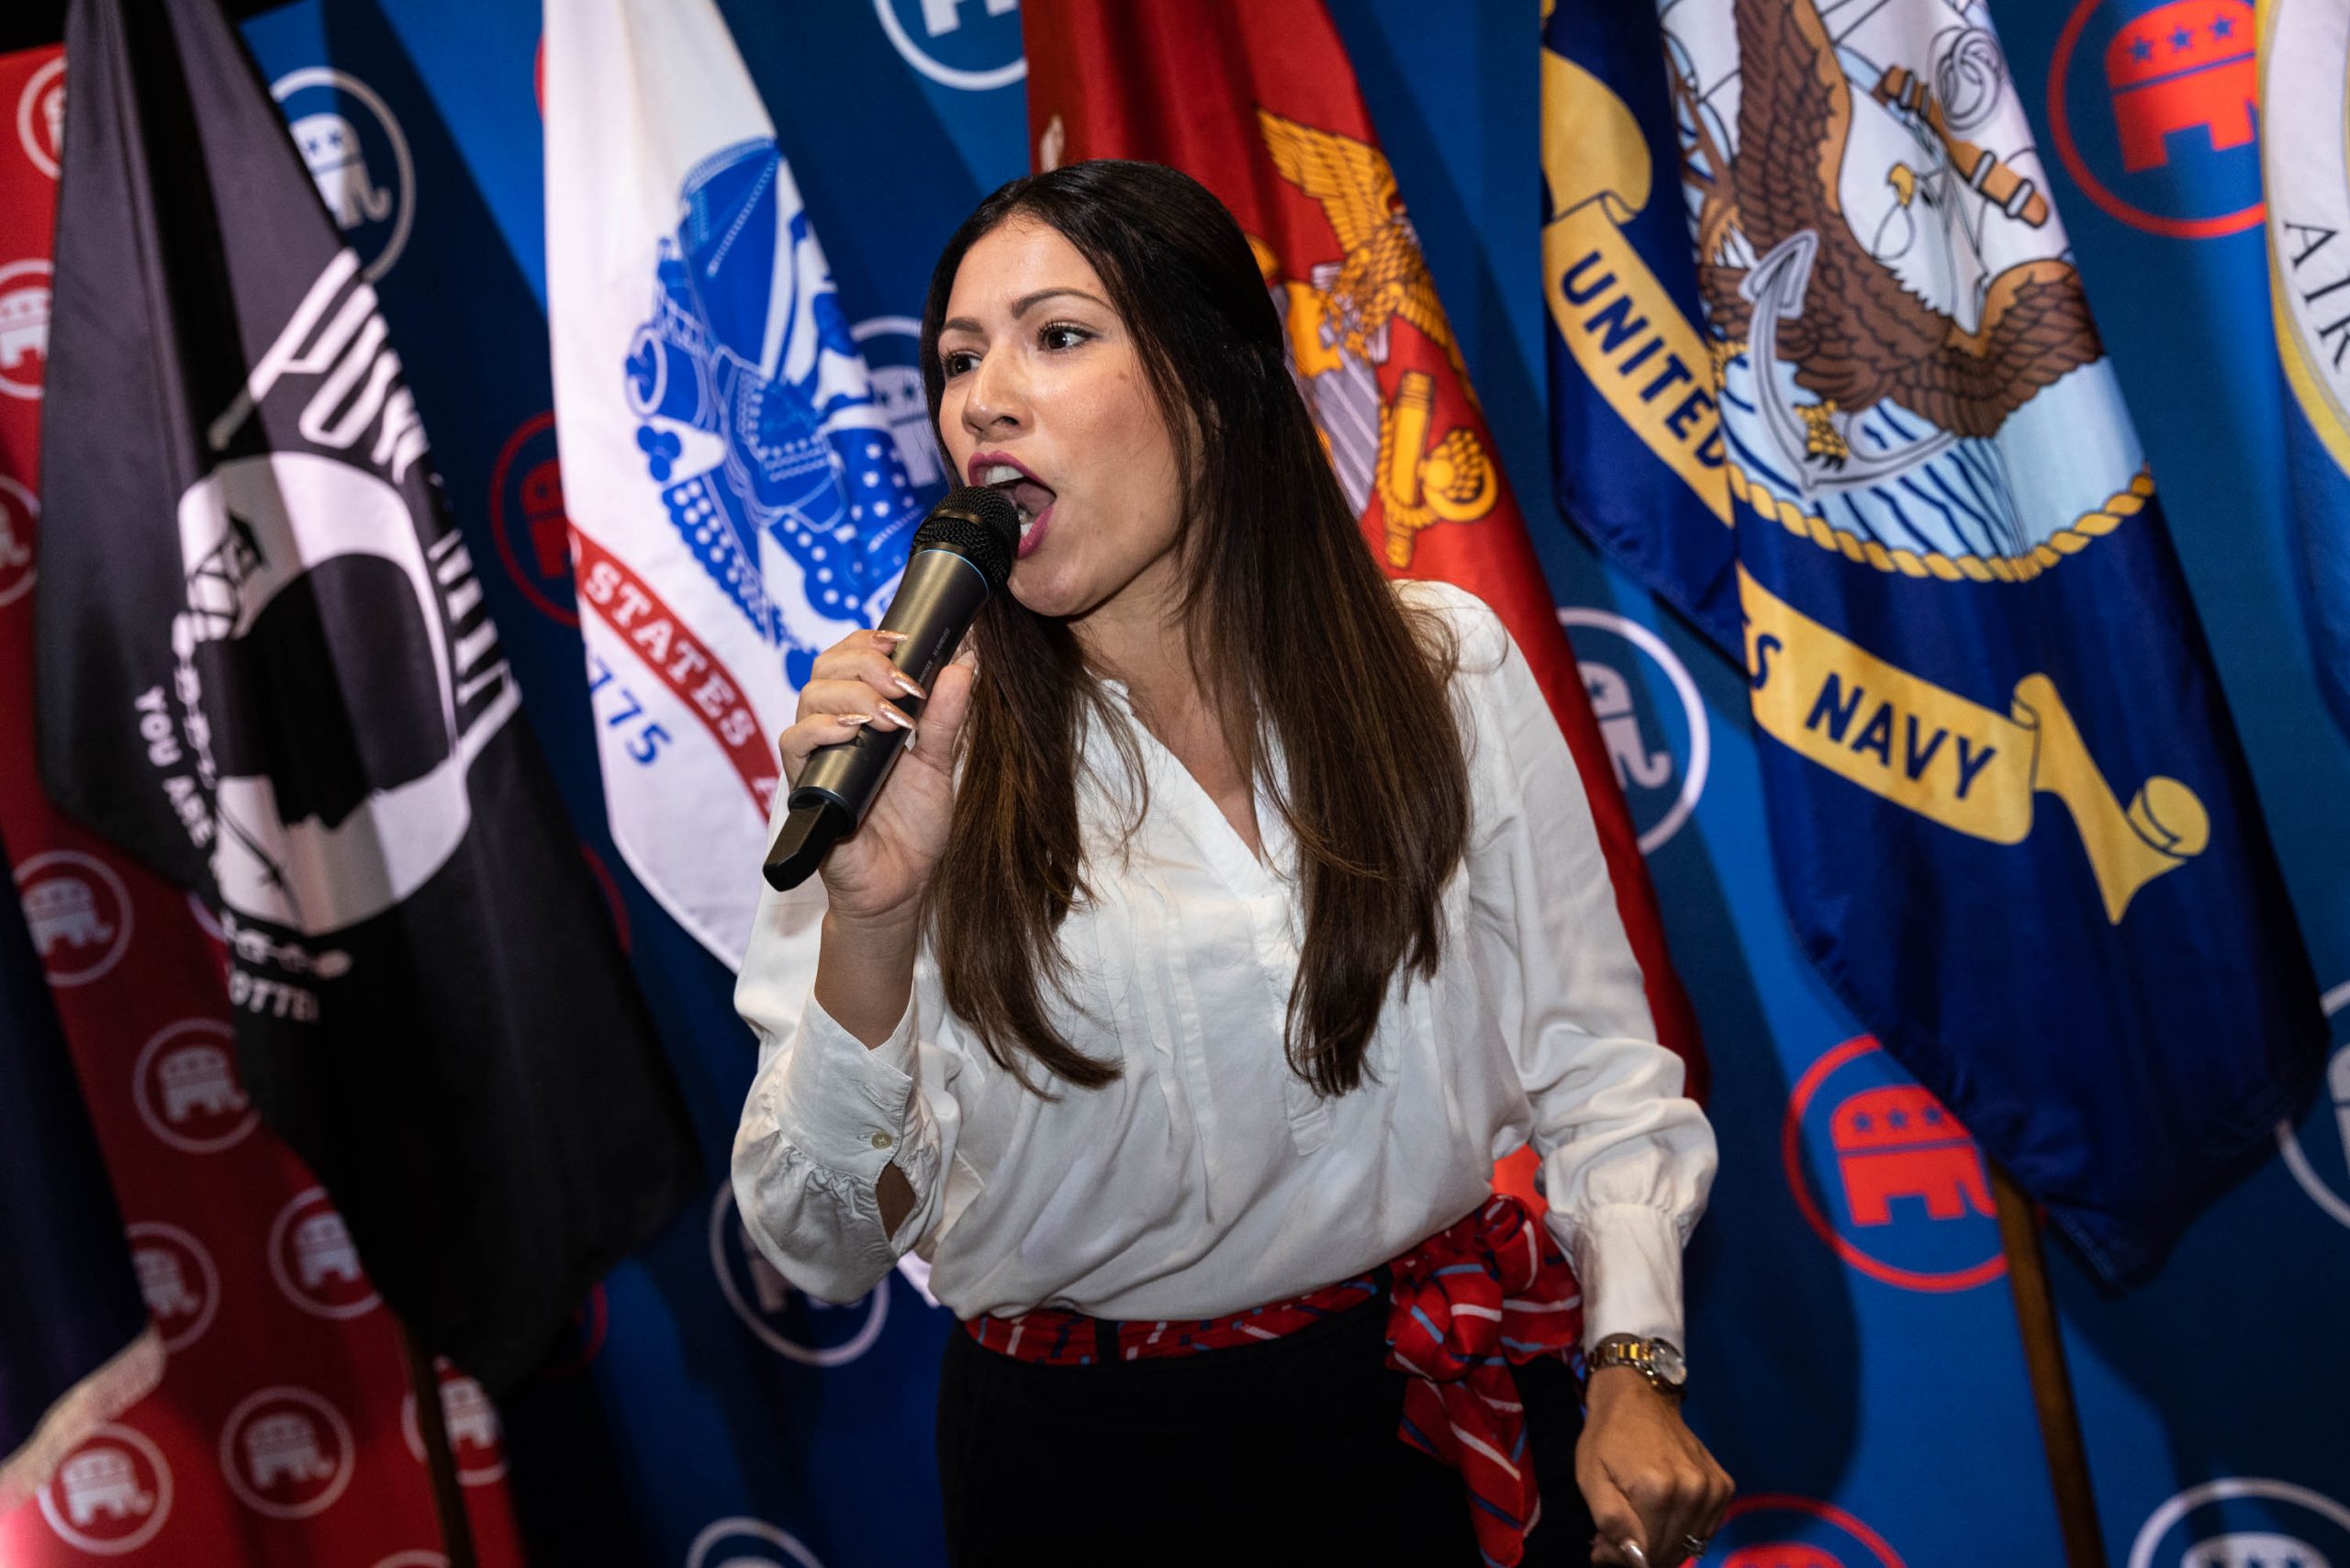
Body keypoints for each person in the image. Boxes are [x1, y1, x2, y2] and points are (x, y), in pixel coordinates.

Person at [732, 159, 1729, 1568]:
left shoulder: (1439, 667)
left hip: (1431, 1403)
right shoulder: (903, 747)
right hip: (1089, 1477)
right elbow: (819, 1248)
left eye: (1057, 337)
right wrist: (875, 915)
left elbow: (1597, 1068)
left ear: (1217, 385)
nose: (985, 398)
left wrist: (1632, 1360)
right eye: (960, 359)